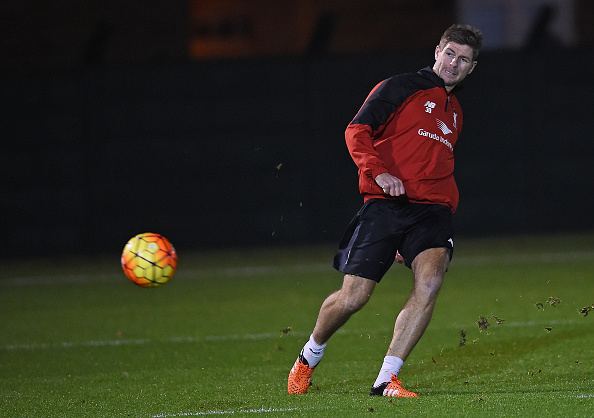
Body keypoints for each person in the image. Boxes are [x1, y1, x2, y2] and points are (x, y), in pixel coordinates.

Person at [288, 24, 483, 397]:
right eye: (450, 54)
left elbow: (435, 163)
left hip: (433, 210)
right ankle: (309, 355)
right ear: (437, 51)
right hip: (386, 204)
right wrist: (378, 173)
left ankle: (386, 379)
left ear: (471, 68)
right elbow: (356, 131)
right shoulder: (400, 86)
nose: (453, 63)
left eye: (463, 59)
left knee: (430, 282)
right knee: (354, 298)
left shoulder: (455, 111)